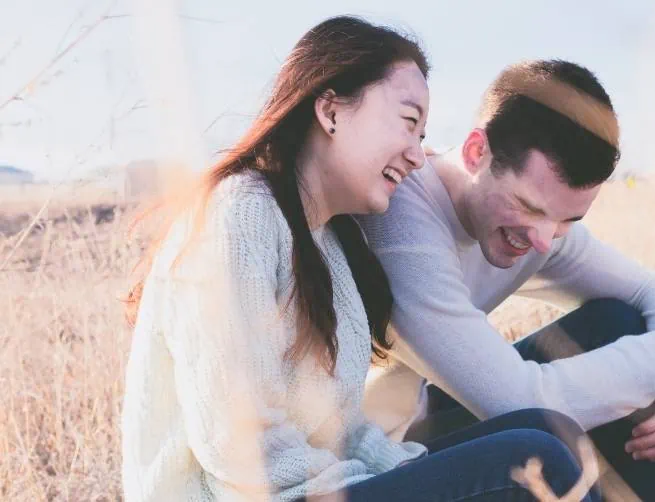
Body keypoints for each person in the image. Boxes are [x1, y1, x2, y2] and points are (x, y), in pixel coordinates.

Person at [121, 18, 598, 502]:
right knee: (538, 459)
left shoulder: (325, 242)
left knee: (553, 431)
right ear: (330, 111)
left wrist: (410, 471)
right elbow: (236, 443)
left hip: (323, 487)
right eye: (408, 123)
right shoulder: (238, 213)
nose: (417, 155)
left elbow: (342, 428)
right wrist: (375, 485)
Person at [358, 59, 655, 502]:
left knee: (620, 320)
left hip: (422, 422)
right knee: (547, 448)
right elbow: (520, 402)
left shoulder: (541, 228)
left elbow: (650, 293)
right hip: (367, 463)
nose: (542, 241)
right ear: (478, 152)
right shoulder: (401, 219)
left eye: (567, 219)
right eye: (530, 208)